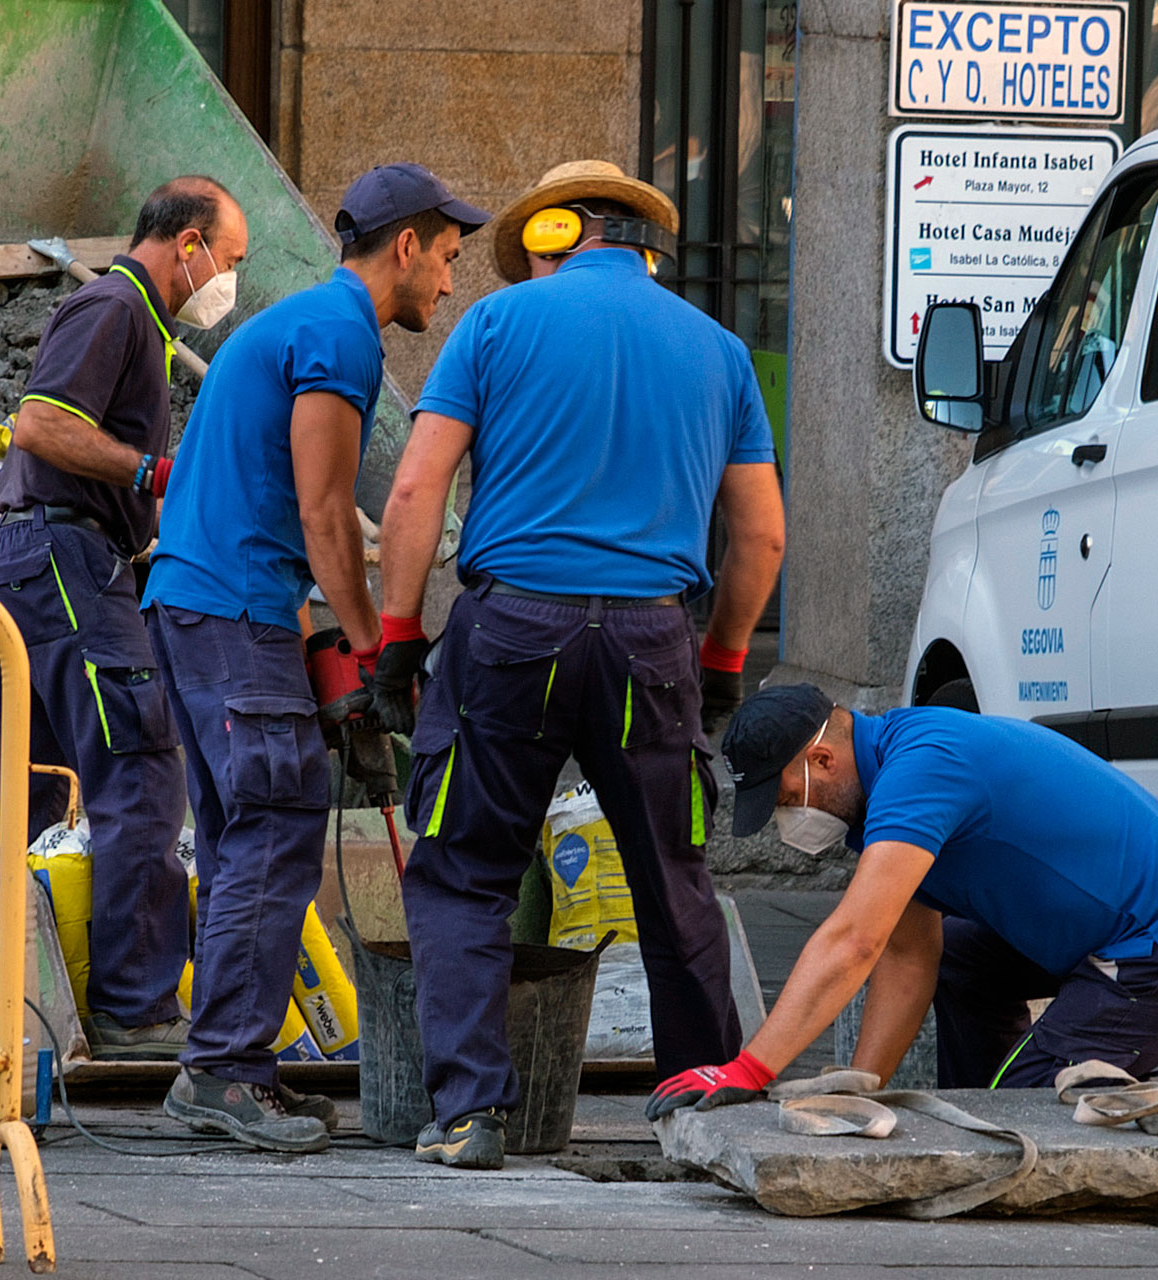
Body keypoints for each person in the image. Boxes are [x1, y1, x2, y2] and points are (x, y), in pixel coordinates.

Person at [371, 159, 787, 1170]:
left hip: (512, 632)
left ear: (555, 238)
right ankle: (704, 1109)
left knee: (465, 870)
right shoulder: (720, 349)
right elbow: (762, 535)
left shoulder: (494, 325)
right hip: (653, 642)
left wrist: (396, 635)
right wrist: (723, 660)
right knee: (672, 879)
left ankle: (471, 1112)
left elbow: (417, 489)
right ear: (645, 248)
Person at [147, 163, 489, 1154]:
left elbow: (268, 510)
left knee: (243, 836)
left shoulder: (297, 323)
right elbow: (325, 512)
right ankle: (224, 1069)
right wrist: (382, 647)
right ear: (406, 245)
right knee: (276, 821)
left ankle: (225, 1065)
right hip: (229, 612)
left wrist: (330, 659)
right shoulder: (339, 335)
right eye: (447, 258)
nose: (449, 283)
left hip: (203, 604)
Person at [645, 685, 1158, 1156]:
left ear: (821, 759)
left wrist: (749, 1067)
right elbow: (908, 955)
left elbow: (854, 940)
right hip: (1109, 933)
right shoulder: (891, 774)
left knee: (1036, 1114)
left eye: (784, 799)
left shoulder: (922, 771)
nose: (788, 821)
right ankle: (981, 1103)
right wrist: (861, 1090)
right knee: (957, 961)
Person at [0, 176, 247, 1060]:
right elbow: (40, 426)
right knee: (141, 772)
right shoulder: (115, 307)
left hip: (39, 559)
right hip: (66, 558)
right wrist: (151, 474)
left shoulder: (140, 324)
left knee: (35, 786)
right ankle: (135, 1005)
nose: (229, 281)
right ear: (188, 244)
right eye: (230, 260)